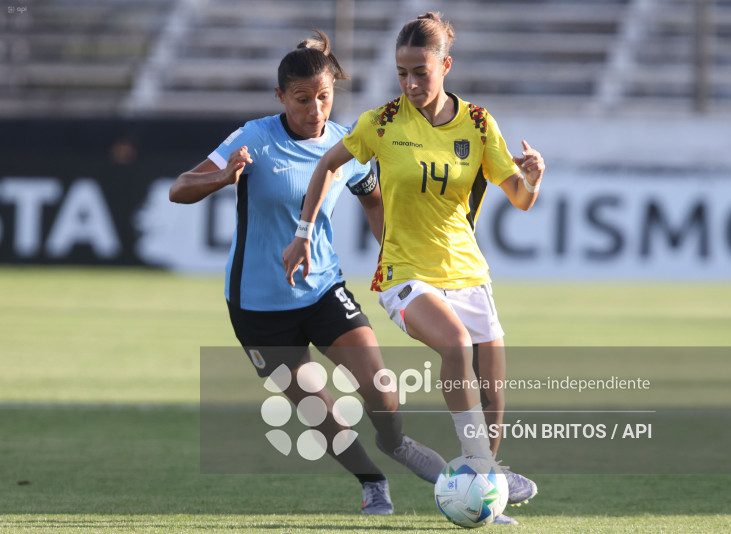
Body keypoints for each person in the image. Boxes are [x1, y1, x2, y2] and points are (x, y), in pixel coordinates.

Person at [169, 30, 445, 515]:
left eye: (324, 97)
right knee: (318, 409)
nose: (315, 109)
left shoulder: (344, 142)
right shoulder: (254, 138)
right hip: (258, 306)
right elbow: (180, 188)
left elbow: (373, 197)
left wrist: (392, 253)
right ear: (280, 96)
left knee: (380, 386)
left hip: (322, 291)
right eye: (302, 99)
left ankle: (395, 442)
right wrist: (223, 176)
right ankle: (372, 482)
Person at [283, 14, 544, 525]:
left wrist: (532, 178)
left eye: (420, 72)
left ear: (445, 66)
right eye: (402, 73)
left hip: (468, 272)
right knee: (456, 345)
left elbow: (519, 197)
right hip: (405, 273)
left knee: (493, 385)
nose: (410, 83)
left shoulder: (478, 124)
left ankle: (485, 487)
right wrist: (303, 232)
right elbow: (327, 165)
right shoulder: (381, 123)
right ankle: (479, 468)